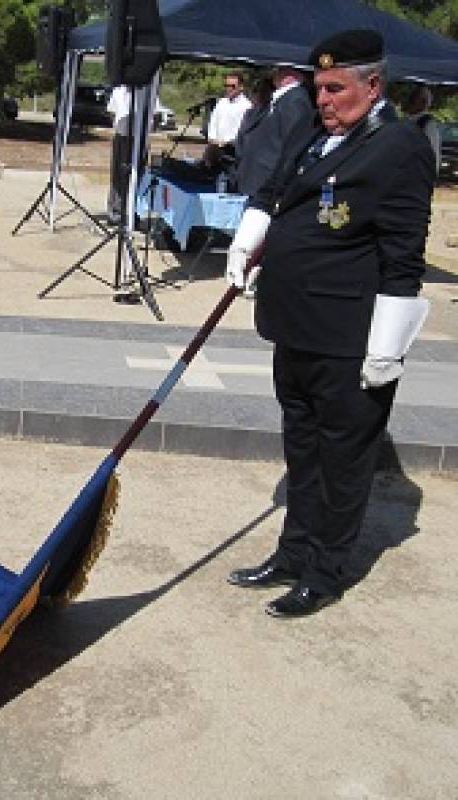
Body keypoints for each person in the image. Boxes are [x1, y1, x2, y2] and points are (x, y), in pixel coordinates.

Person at [224, 29, 435, 618]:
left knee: (342, 463)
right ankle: (293, 553)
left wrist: (387, 349)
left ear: (373, 85)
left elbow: (402, 256)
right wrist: (247, 241)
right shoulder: (315, 132)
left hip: (349, 339)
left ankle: (326, 569)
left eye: (337, 89)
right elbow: (273, 190)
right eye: (320, 89)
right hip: (294, 325)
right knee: (303, 451)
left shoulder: (401, 146)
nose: (325, 101)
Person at [234, 66, 313, 196]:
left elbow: (291, 149)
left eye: (280, 70)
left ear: (291, 75)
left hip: (266, 184)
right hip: (255, 181)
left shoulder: (295, 102)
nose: (275, 74)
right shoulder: (284, 100)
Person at [205, 72, 252, 153]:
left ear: (241, 87)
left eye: (232, 86)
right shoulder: (221, 102)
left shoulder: (246, 106)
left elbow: (244, 131)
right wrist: (212, 138)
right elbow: (214, 122)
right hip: (216, 147)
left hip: (233, 149)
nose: (229, 88)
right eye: (226, 86)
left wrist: (228, 142)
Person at [107, 84, 131, 222]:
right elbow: (112, 110)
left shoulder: (147, 89)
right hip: (122, 135)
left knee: (135, 175)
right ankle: (115, 211)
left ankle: (132, 212)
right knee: (118, 174)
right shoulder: (119, 89)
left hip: (140, 136)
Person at [404, 84, 441, 176]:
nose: (409, 101)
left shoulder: (428, 123)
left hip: (418, 175)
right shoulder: (407, 120)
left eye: (413, 98)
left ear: (424, 103)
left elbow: (432, 153)